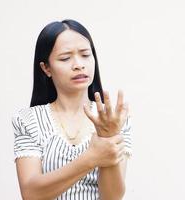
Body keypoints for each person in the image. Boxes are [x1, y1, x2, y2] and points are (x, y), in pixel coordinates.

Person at [11, 19, 133, 200]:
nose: (78, 64)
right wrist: (92, 157)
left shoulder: (112, 119)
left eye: (85, 54)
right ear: (46, 68)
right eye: (65, 58)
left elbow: (112, 196)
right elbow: (31, 193)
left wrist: (109, 134)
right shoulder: (28, 120)